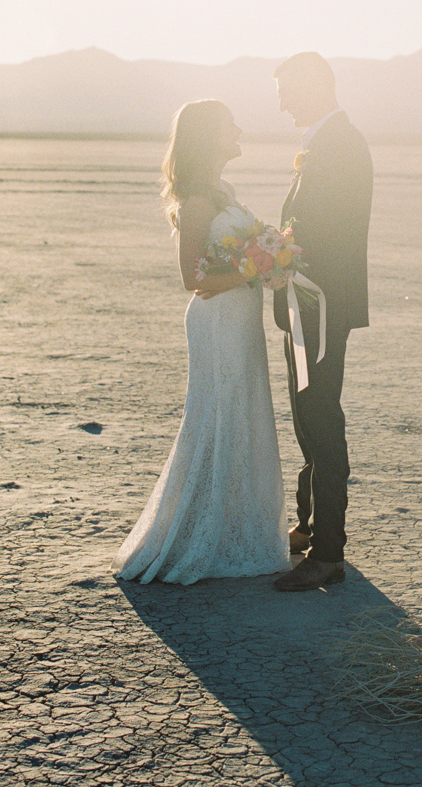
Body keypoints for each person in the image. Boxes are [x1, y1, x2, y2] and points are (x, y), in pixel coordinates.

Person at [112, 100, 289, 584]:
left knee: (244, 410)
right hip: (217, 320)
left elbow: (227, 265)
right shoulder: (197, 201)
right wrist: (262, 264)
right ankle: (201, 534)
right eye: (229, 123)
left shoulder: (223, 191)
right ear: (208, 136)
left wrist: (263, 258)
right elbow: (192, 275)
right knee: (219, 413)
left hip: (239, 316)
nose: (238, 128)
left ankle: (237, 525)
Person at [271, 53, 373, 592]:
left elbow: (331, 233)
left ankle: (328, 551)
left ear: (315, 87)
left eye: (288, 90)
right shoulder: (325, 141)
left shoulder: (340, 144)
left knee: (320, 418)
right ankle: (310, 525)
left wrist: (280, 256)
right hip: (306, 303)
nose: (283, 102)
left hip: (320, 306)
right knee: (306, 415)